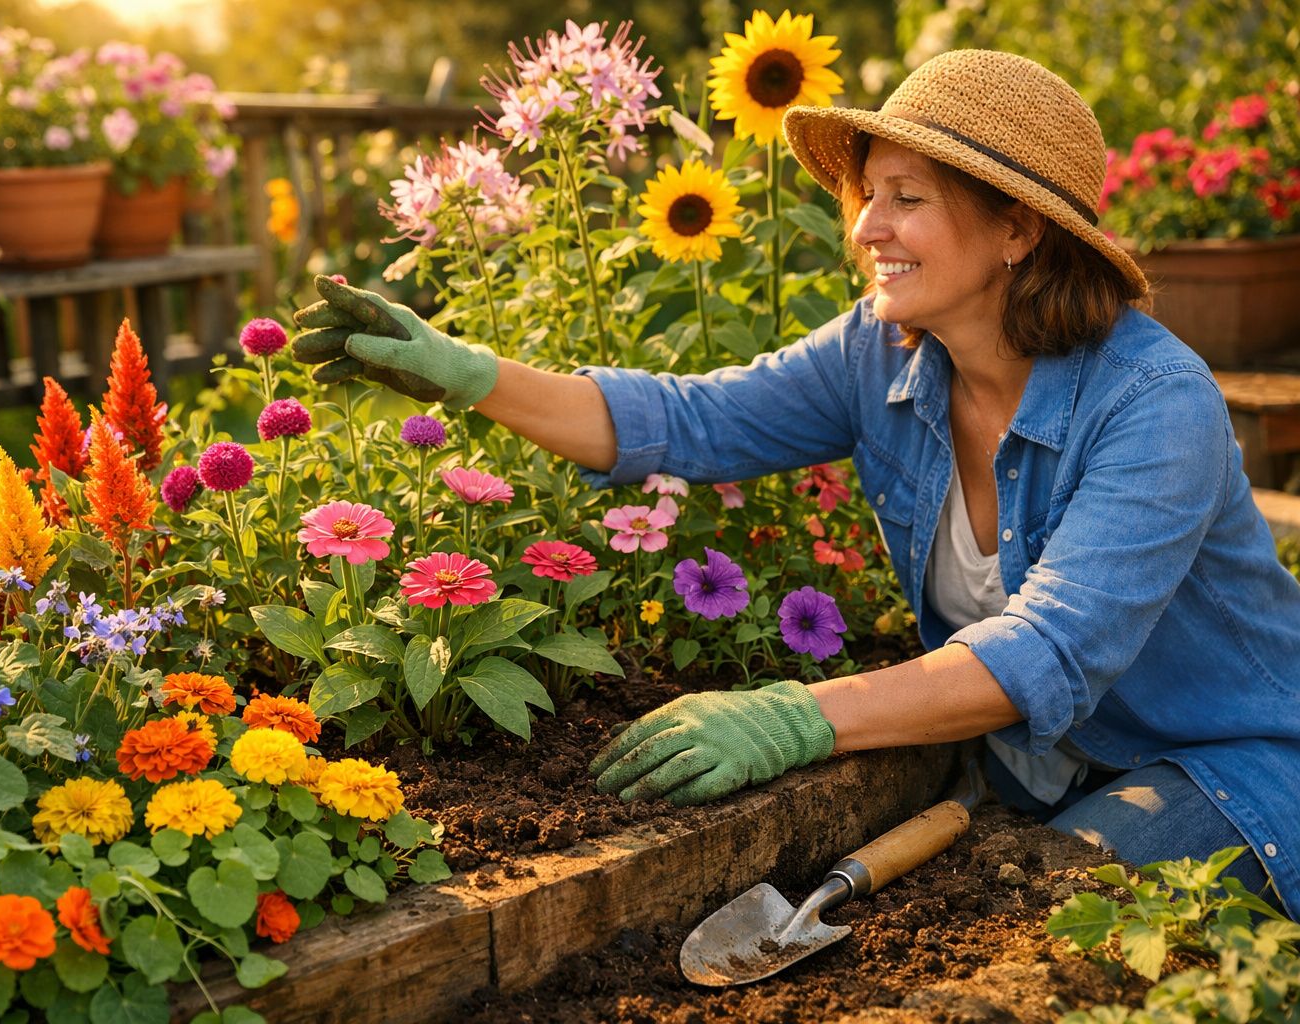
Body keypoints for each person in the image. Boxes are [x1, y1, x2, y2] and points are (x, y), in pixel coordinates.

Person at [292, 49, 1300, 917]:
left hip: (1234, 763)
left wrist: (798, 714)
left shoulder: (1154, 402)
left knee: (1046, 910)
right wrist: (468, 374)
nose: (867, 228)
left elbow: (1048, 653)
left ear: (1017, 231)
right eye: (870, 194)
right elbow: (691, 420)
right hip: (1039, 766)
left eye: (908, 198)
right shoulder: (885, 351)